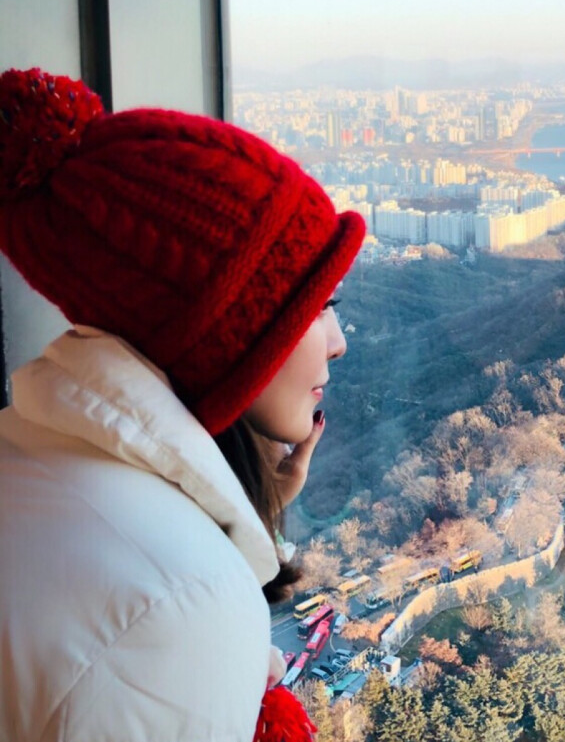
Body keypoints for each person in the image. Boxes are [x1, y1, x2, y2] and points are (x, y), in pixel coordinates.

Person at [0, 68, 366, 742]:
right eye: (319, 307)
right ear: (229, 332)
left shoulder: (33, 452)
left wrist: (251, 515)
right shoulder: (179, 607)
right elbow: (163, 602)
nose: (338, 343)